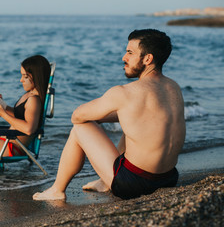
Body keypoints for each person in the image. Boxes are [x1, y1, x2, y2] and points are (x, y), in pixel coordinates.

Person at [33, 29, 186, 200]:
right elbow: (142, 115)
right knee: (132, 124)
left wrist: (96, 117)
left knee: (80, 128)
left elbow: (77, 116)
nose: (124, 57)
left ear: (147, 59)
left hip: (133, 184)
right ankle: (104, 182)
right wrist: (112, 114)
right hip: (169, 179)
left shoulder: (124, 93)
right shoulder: (174, 88)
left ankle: (57, 190)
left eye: (130, 53)